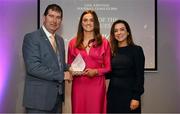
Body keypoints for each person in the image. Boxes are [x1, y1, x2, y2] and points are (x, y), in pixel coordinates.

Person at [22, 4, 72, 113]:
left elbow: (59, 64)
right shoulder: (31, 38)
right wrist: (62, 75)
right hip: (38, 101)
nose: (54, 20)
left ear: (61, 21)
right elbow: (33, 67)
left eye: (58, 17)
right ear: (44, 18)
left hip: (57, 99)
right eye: (51, 16)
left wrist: (72, 68)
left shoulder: (60, 40)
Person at [67, 10, 111, 113]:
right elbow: (69, 65)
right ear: (81, 23)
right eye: (85, 20)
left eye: (91, 20)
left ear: (95, 23)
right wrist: (71, 71)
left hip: (97, 85)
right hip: (79, 85)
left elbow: (108, 67)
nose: (88, 23)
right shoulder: (72, 42)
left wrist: (95, 71)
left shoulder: (104, 42)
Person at [107, 19, 145, 113]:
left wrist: (136, 97)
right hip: (113, 96)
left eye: (122, 29)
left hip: (130, 97)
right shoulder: (111, 52)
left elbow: (139, 76)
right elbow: (108, 74)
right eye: (116, 31)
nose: (119, 33)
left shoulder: (137, 50)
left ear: (128, 32)